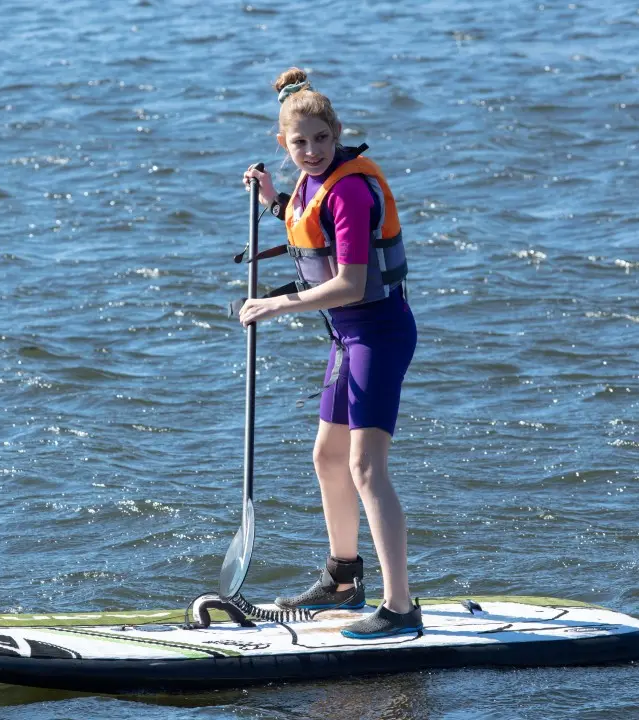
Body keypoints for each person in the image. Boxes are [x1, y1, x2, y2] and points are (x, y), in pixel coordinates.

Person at [239, 67, 420, 639]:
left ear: (337, 132)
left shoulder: (347, 189)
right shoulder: (313, 186)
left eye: (322, 139)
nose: (313, 151)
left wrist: (274, 306)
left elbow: (350, 282)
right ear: (282, 144)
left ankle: (399, 607)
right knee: (326, 457)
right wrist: (274, 203)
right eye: (300, 142)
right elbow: (307, 229)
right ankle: (343, 579)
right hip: (347, 339)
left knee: (366, 467)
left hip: (379, 333)